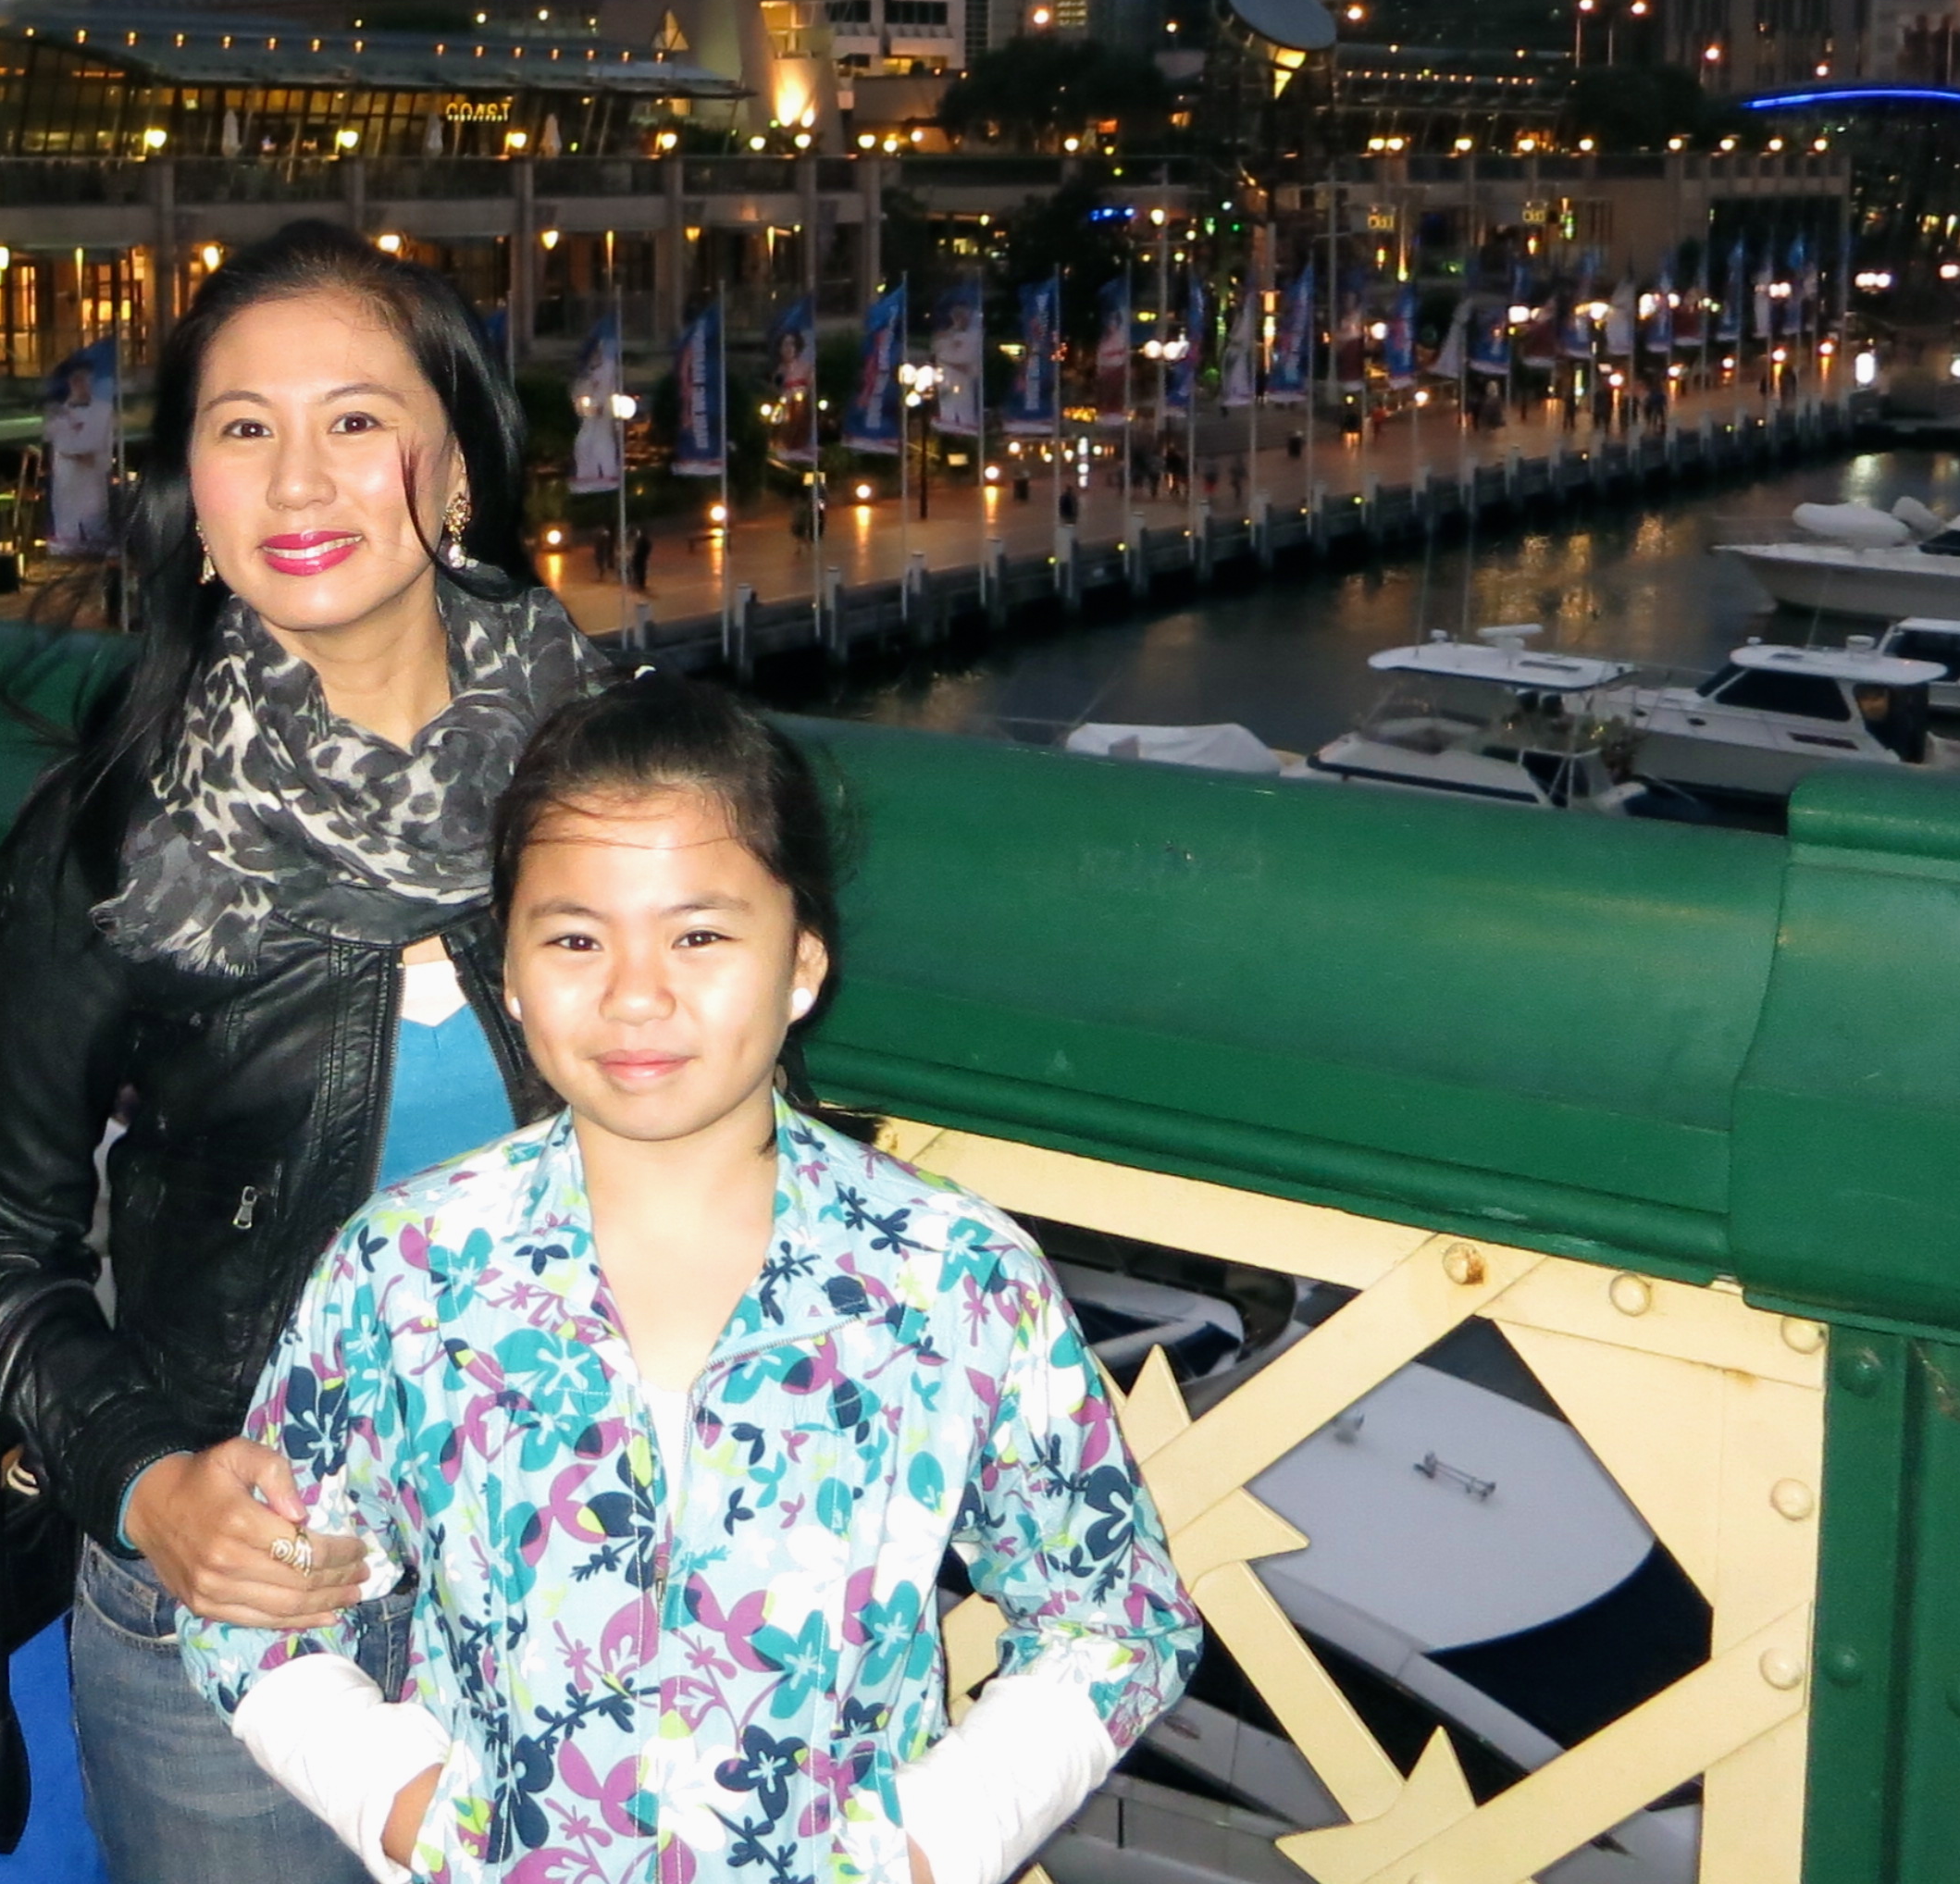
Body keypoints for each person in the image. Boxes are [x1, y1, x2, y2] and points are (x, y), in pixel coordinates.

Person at [180, 676, 1200, 1883]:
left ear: (801, 962)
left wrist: (930, 1847)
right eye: (575, 939)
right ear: (510, 972)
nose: (636, 994)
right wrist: (408, 1808)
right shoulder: (408, 1270)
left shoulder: (951, 1278)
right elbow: (256, 1608)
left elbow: (1114, 1621)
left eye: (700, 936)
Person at [0, 220, 617, 1884]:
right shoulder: (115, 840)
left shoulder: (616, 802)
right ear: (192, 487)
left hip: (583, 1571)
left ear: (459, 468)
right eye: (243, 427)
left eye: (357, 420)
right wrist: (143, 1486)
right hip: (242, 1607)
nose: (298, 480)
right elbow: (1, 1241)